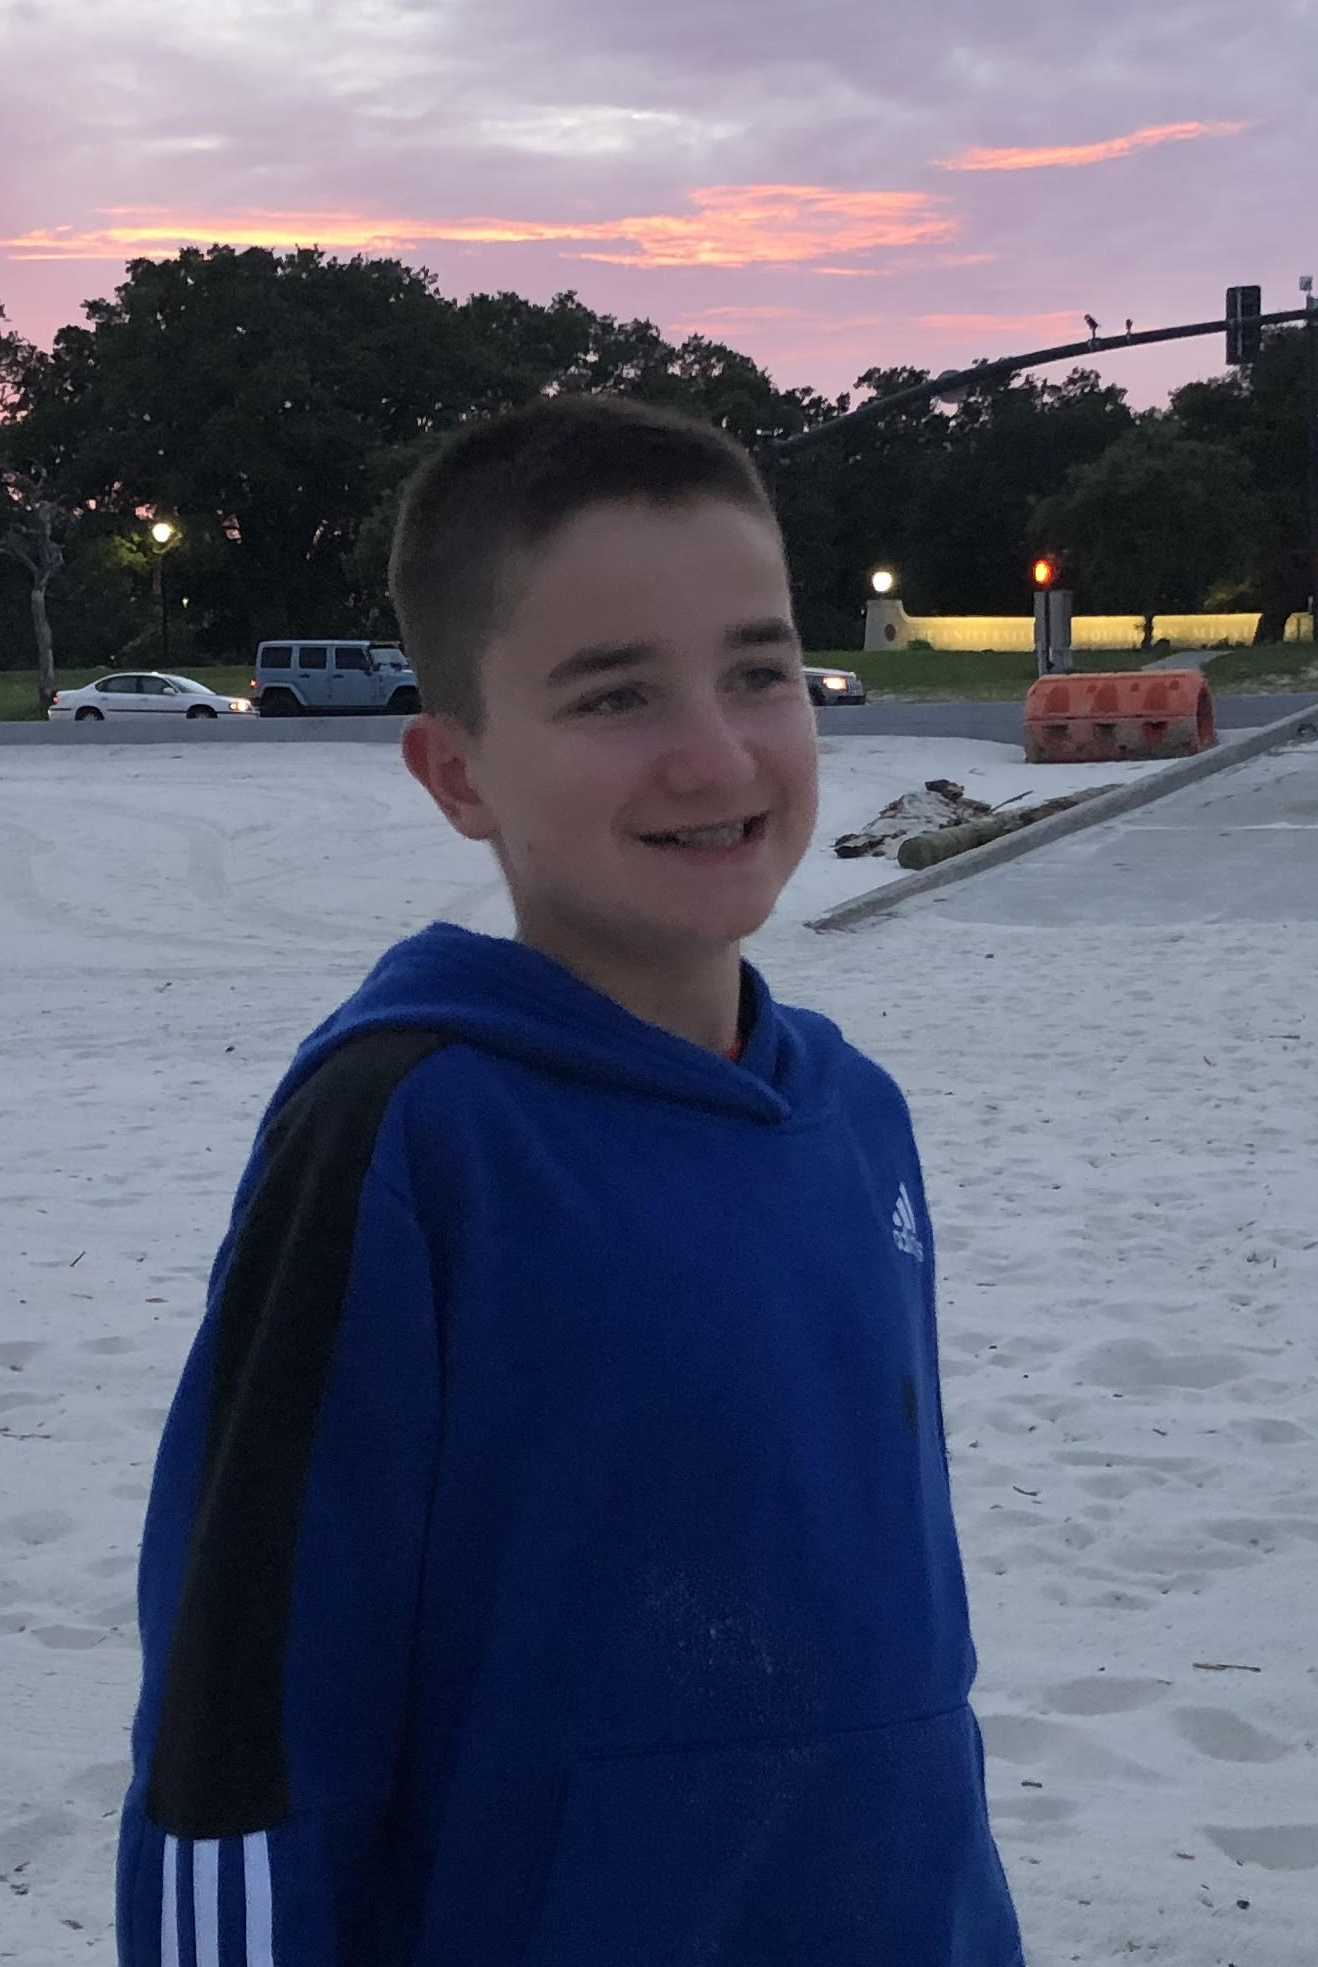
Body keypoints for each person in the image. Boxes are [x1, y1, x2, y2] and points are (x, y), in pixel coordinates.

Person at [115, 394, 1024, 1966]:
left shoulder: (855, 1117)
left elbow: (895, 1644)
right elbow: (243, 1720)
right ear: (456, 772)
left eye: (759, 672)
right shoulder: (407, 1132)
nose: (718, 752)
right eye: (615, 697)